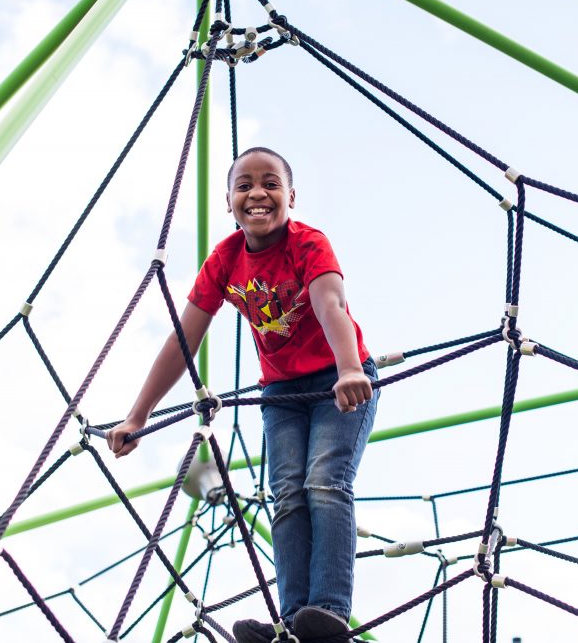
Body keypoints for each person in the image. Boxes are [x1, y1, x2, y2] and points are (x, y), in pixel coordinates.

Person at [106, 147, 379, 643]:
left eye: (271, 183)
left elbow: (330, 302)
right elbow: (183, 339)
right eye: (245, 185)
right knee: (288, 497)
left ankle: (330, 611)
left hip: (339, 381)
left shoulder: (307, 243)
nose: (258, 193)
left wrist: (349, 369)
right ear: (230, 200)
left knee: (324, 482)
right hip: (281, 393)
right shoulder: (226, 260)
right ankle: (296, 623)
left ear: (291, 196)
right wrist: (137, 416)